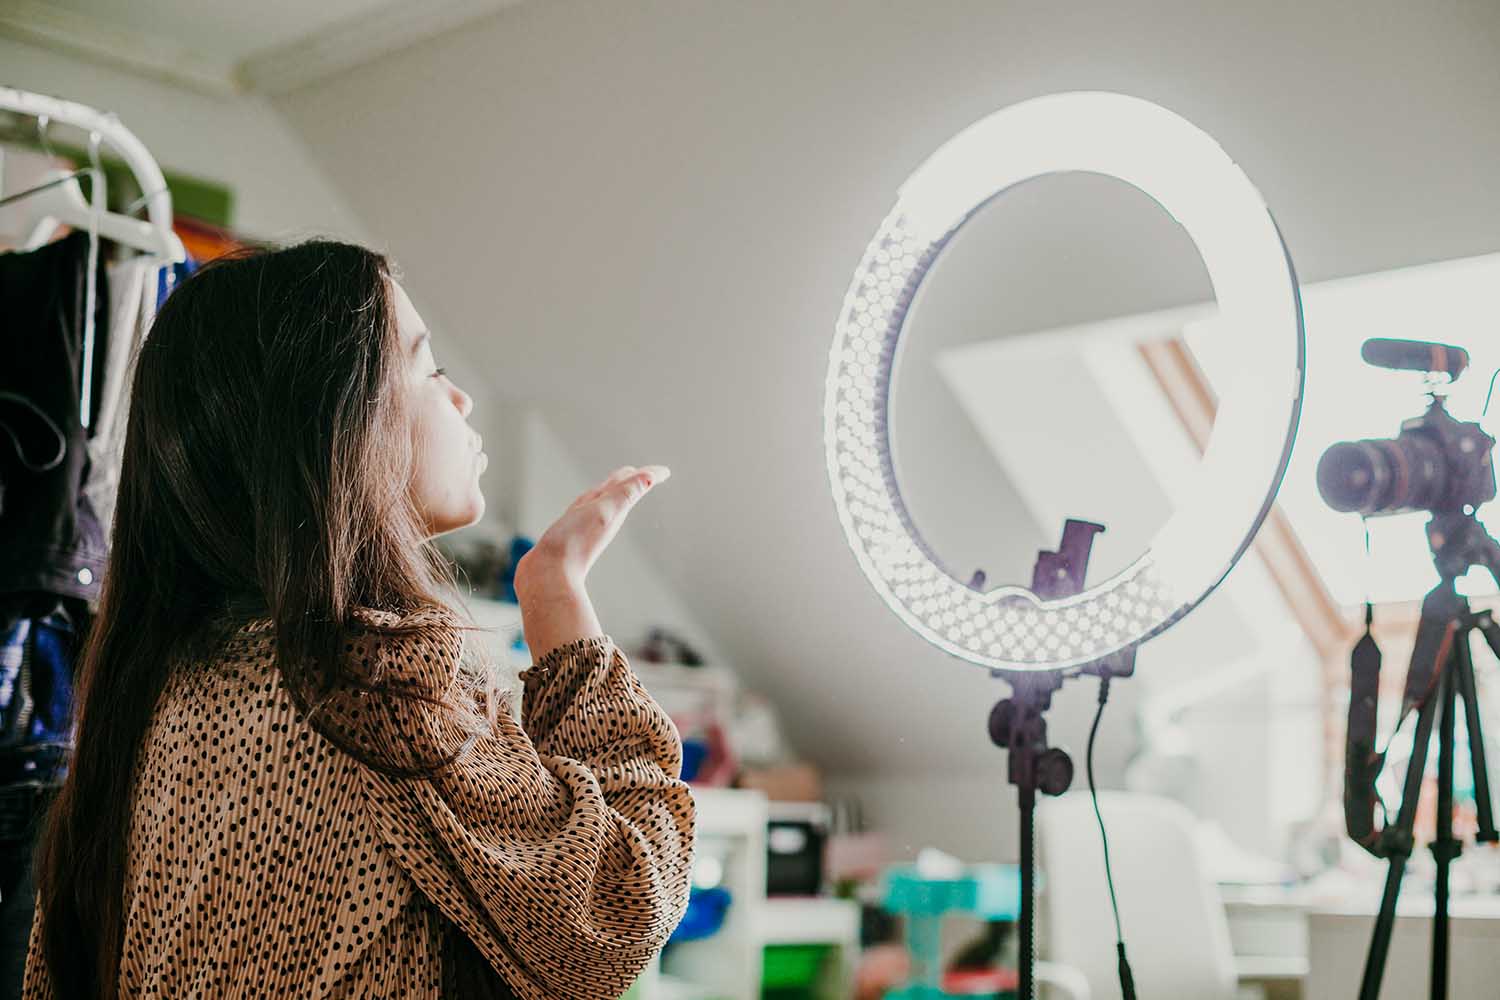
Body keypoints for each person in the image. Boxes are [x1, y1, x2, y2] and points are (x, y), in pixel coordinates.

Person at [20, 240, 695, 999]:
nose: (462, 399)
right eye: (429, 367)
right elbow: (615, 911)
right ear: (340, 420)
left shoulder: (149, 696)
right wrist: (556, 595)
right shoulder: (372, 688)